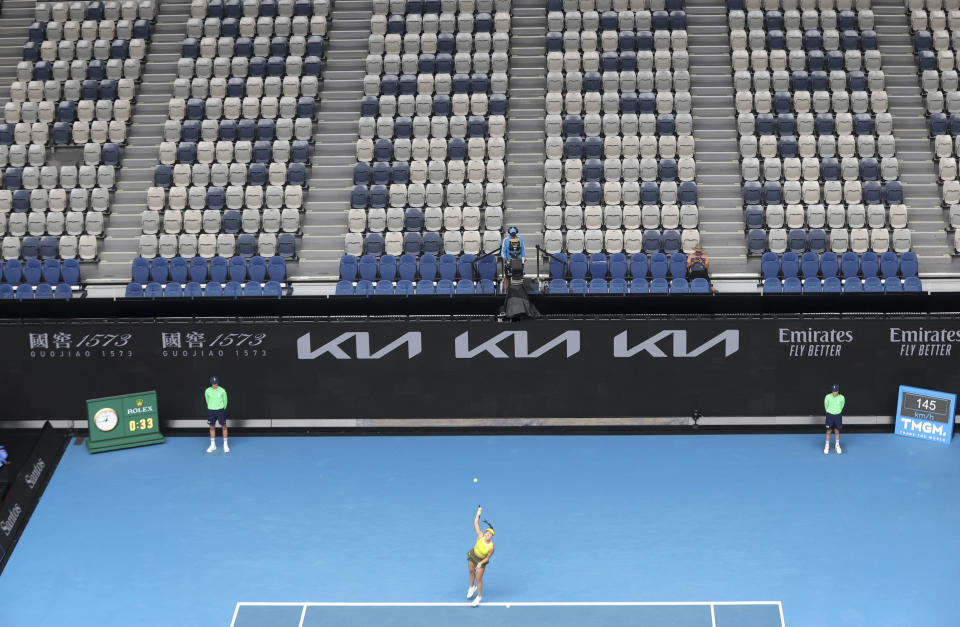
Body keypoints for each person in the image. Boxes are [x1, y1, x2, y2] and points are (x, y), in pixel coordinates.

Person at [466, 507, 494, 607]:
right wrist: (479, 512)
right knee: (470, 571)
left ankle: (478, 597)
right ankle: (471, 587)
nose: (487, 534)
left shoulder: (491, 547)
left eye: (490, 534)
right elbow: (475, 523)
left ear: (492, 536)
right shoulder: (480, 536)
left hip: (482, 560)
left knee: (479, 579)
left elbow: (487, 558)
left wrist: (481, 563)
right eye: (487, 532)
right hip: (473, 555)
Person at [205, 376, 229, 453]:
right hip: (211, 411)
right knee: (212, 427)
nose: (214, 385)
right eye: (213, 383)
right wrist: (211, 407)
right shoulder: (207, 390)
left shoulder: (222, 390)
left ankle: (225, 444)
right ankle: (213, 445)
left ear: (217, 383)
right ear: (211, 383)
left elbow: (225, 401)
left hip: (220, 410)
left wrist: (221, 408)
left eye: (216, 383)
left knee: (224, 427)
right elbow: (207, 400)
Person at [500, 226, 526, 291]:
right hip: (509, 260)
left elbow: (523, 249)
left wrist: (523, 257)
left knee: (520, 276)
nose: (513, 235)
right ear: (509, 233)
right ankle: (506, 290)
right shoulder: (505, 240)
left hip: (518, 260)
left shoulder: (520, 239)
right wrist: (504, 258)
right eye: (512, 233)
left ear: (516, 232)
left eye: (514, 233)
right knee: (507, 276)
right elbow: (503, 251)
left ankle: (521, 290)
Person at [824, 384, 845, 455]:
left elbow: (842, 406)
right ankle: (827, 445)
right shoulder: (827, 397)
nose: (834, 393)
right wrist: (830, 411)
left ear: (838, 391)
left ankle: (837, 445)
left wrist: (837, 411)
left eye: (835, 391)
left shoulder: (842, 397)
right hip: (830, 415)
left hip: (838, 415)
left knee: (837, 430)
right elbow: (826, 406)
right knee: (828, 430)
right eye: (833, 391)